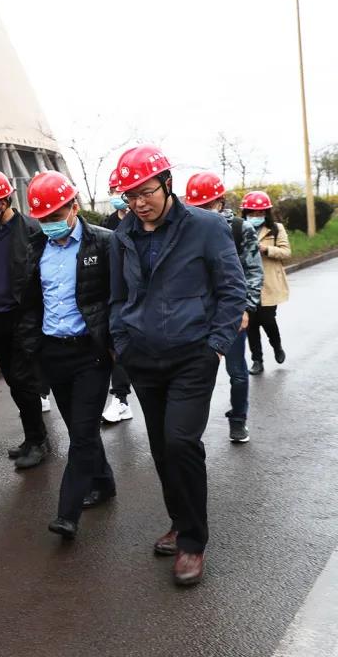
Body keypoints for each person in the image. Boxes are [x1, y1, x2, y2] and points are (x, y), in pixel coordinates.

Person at [109, 145, 246, 586]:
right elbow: (117, 298)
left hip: (192, 357)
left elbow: (233, 289)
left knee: (181, 442)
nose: (138, 202)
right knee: (161, 446)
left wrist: (216, 346)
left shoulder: (205, 227)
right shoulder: (122, 236)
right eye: (130, 195)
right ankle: (179, 520)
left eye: (145, 192)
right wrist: (122, 344)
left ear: (167, 184)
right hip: (142, 359)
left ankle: (192, 542)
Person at [20, 171, 116, 539]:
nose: (50, 224)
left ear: (74, 207)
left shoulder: (103, 243)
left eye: (56, 216)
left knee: (82, 434)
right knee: (81, 428)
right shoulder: (36, 246)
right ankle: (104, 482)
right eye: (43, 218)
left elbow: (116, 297)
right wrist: (32, 345)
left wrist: (114, 344)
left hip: (91, 353)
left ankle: (68, 512)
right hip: (53, 352)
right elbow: (30, 302)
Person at [0, 170, 49, 469]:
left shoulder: (31, 229)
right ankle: (32, 437)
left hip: (23, 318)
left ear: (3, 202)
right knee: (14, 382)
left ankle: (38, 440)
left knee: (25, 381)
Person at [184, 172, 263, 443]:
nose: (204, 211)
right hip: (196, 315)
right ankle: (189, 431)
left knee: (237, 373)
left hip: (231, 313)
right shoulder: (185, 230)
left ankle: (238, 420)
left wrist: (246, 308)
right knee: (195, 375)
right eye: (198, 207)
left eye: (209, 205)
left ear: (221, 202)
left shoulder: (240, 229)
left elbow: (253, 271)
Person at [241, 191, 291, 376]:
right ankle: (257, 360)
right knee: (251, 324)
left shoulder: (276, 228)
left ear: (266, 213)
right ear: (246, 213)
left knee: (268, 320)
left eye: (260, 213)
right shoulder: (239, 228)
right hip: (247, 284)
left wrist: (266, 249)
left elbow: (286, 252)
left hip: (269, 282)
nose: (256, 216)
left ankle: (277, 346)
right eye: (252, 213)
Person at [101, 169, 134, 424]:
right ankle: (121, 399)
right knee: (116, 347)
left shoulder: (141, 220)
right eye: (113, 191)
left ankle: (122, 398)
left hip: (137, 293)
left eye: (120, 190)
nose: (116, 195)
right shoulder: (107, 223)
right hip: (114, 293)